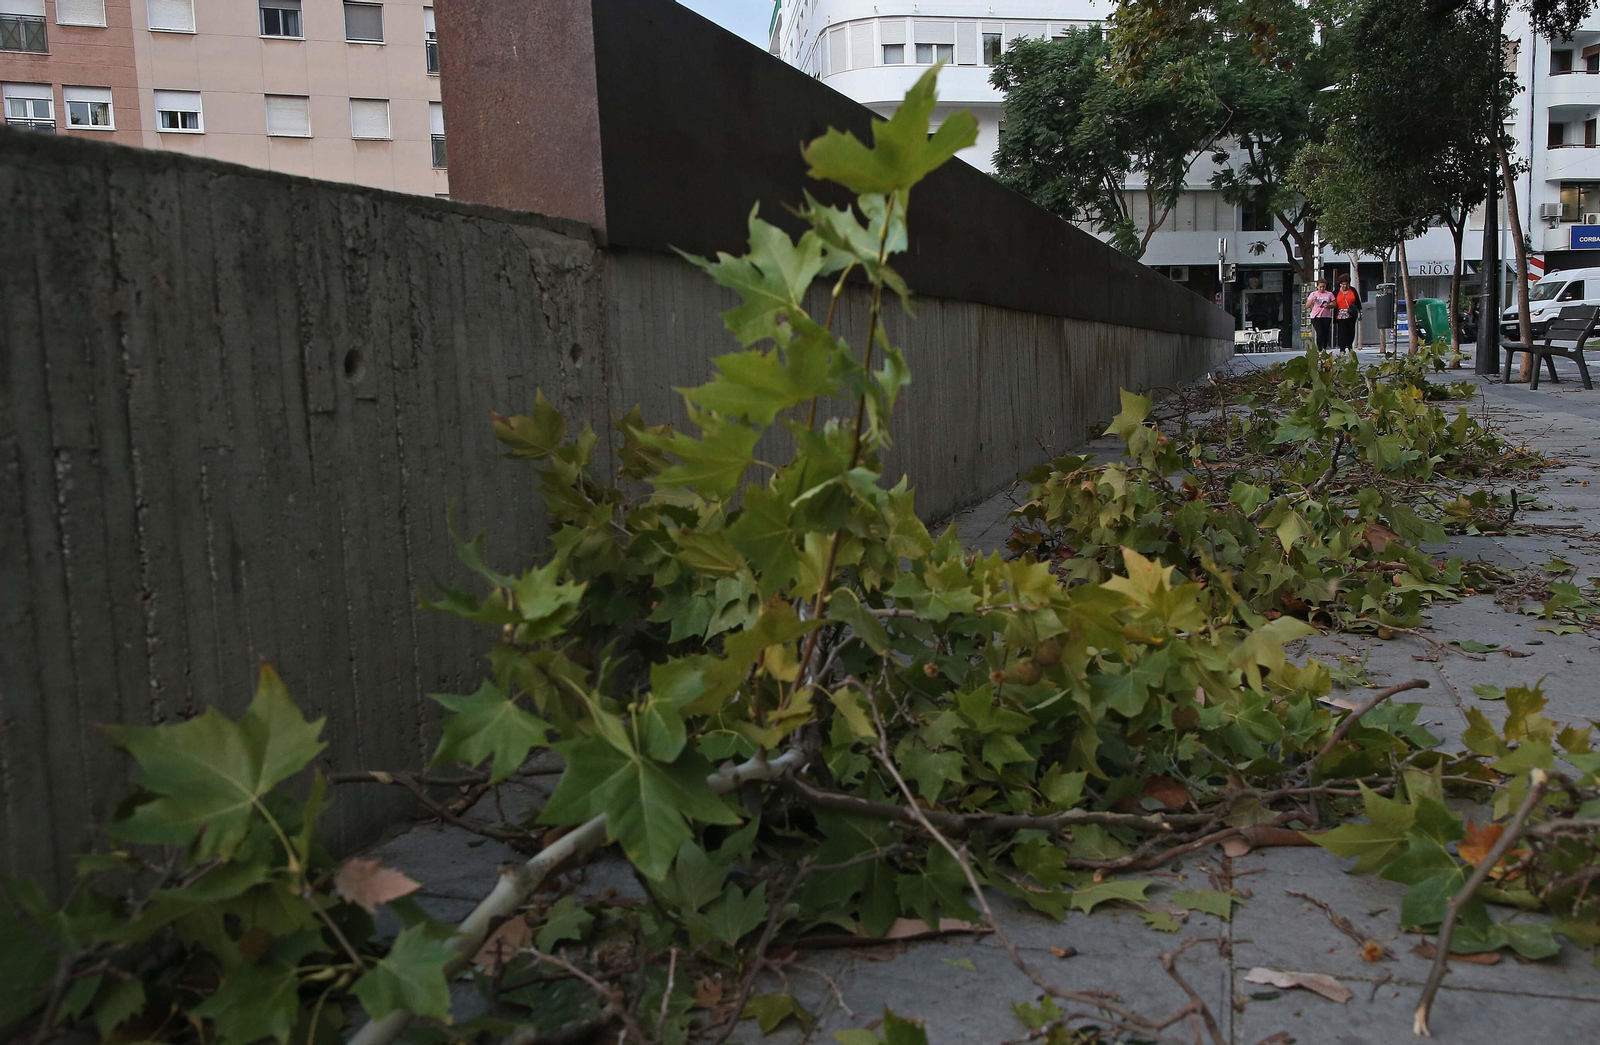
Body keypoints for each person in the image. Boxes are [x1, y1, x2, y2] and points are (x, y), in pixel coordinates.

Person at [1333, 273, 1362, 352]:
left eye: (1346, 284)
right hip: (1340, 315)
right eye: (1342, 284)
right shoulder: (1336, 291)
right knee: (1342, 332)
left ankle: (1350, 347)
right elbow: (1332, 300)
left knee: (1351, 331)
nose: (1344, 286)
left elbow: (1357, 301)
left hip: (1351, 314)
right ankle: (1342, 349)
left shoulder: (1353, 290)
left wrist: (1360, 311)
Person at [1307, 278, 1335, 351]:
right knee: (1320, 332)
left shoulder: (1329, 294)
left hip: (1326, 315)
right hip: (1316, 316)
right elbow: (1307, 305)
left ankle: (1324, 348)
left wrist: (1328, 305)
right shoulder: (1313, 294)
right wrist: (1312, 300)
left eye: (1323, 287)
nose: (1322, 288)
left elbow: (1334, 304)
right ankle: (1319, 349)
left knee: (1326, 332)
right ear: (1317, 286)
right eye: (1320, 287)